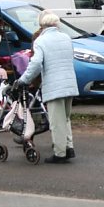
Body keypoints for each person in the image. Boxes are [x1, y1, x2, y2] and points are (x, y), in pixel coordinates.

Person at [15, 10, 79, 164]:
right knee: (65, 118)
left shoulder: (41, 41)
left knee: (56, 122)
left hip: (54, 85)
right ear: (56, 24)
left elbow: (36, 64)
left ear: (42, 25)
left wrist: (24, 80)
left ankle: (60, 153)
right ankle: (69, 147)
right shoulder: (66, 38)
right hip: (70, 83)